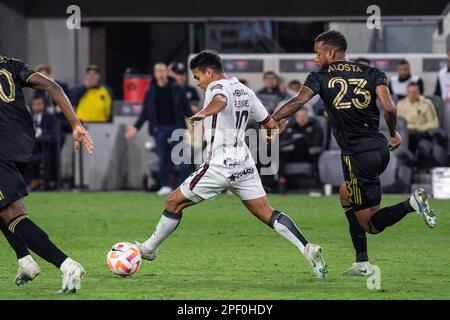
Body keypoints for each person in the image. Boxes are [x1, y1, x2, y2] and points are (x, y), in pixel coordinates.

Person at [134, 50, 327, 278]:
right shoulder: (245, 91)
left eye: (198, 77)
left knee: (173, 202)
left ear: (209, 71)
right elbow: (268, 122)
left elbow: (220, 101)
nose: (198, 83)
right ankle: (307, 248)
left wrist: (202, 113)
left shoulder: (217, 87)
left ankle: (148, 249)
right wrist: (271, 132)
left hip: (220, 164)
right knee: (268, 213)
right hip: (244, 163)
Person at [271, 30, 436, 277]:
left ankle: (412, 204)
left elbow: (298, 102)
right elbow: (389, 107)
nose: (315, 59)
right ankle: (361, 263)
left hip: (356, 156)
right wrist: (393, 134)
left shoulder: (320, 75)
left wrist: (272, 119)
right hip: (379, 149)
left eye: (318, 53)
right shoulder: (371, 72)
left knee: (370, 224)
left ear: (331, 53)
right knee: (345, 194)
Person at [0, 55, 93, 293]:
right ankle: (25, 261)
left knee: (11, 212)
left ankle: (66, 265)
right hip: (22, 142)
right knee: (3, 204)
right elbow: (52, 86)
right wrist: (75, 124)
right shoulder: (11, 64)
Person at [124, 63, 193, 195]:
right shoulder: (151, 90)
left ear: (167, 72)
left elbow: (186, 109)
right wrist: (135, 127)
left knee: (182, 157)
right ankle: (165, 185)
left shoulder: (177, 88)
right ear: (155, 74)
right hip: (159, 128)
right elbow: (145, 112)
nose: (160, 73)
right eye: (158, 71)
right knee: (163, 158)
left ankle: (187, 186)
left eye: (163, 71)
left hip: (176, 127)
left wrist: (196, 122)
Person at [278, 109, 323, 192]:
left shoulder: (314, 126)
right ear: (295, 117)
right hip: (293, 153)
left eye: (303, 116)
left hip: (308, 154)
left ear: (308, 116)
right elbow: (284, 140)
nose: (301, 118)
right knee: (279, 152)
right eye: (299, 116)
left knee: (301, 139)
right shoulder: (291, 127)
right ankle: (281, 179)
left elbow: (317, 143)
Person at [397, 82, 439, 152]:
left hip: (420, 132)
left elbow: (434, 123)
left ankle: (410, 159)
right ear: (407, 92)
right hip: (404, 131)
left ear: (419, 92)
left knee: (411, 138)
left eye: (414, 92)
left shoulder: (427, 104)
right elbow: (396, 121)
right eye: (410, 92)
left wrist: (417, 128)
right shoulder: (401, 104)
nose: (412, 95)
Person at [28, 96, 58, 190]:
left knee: (47, 159)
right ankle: (32, 181)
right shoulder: (29, 117)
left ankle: (47, 183)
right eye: (35, 104)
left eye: (39, 104)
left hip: (46, 149)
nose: (37, 107)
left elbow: (53, 132)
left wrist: (41, 132)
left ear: (44, 105)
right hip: (32, 149)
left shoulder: (50, 117)